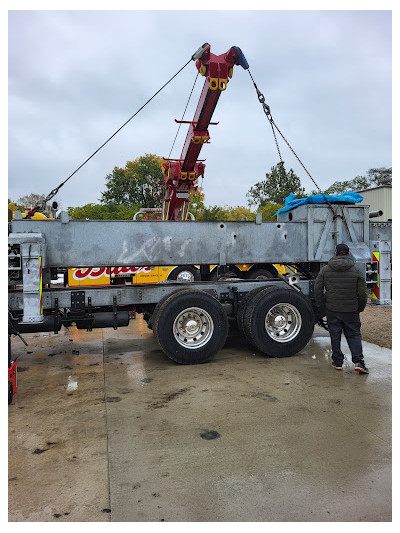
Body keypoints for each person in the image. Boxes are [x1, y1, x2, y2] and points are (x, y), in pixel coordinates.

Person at [314, 243, 369, 373]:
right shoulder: (356, 271)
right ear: (349, 254)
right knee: (354, 334)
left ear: (335, 253)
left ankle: (337, 362)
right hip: (351, 309)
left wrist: (323, 306)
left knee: (335, 334)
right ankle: (358, 362)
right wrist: (360, 307)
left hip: (332, 309)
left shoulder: (326, 270)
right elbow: (362, 293)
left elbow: (317, 289)